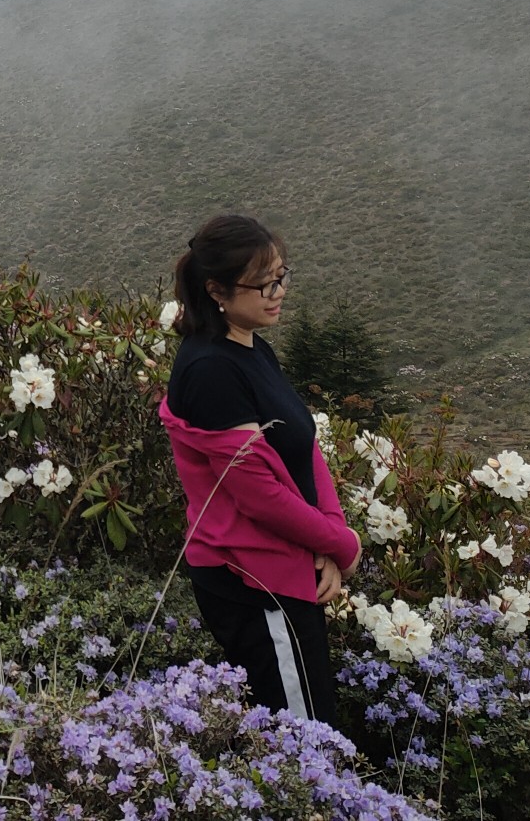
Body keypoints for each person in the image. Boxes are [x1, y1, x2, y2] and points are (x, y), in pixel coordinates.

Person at [156, 213, 360, 724]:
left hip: (288, 564)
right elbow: (258, 493)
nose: (278, 291)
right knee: (303, 734)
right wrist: (341, 545)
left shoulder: (252, 347)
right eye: (264, 283)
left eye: (282, 276)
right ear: (217, 290)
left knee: (310, 717)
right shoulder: (209, 371)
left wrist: (331, 536)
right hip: (252, 579)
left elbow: (302, 442)